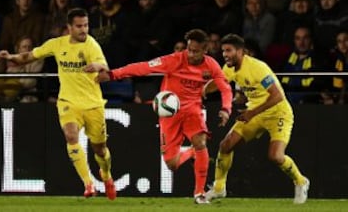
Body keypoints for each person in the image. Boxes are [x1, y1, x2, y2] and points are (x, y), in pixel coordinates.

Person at [84, 29, 233, 204]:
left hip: (193, 109)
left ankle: (199, 193)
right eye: (189, 49)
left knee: (200, 142)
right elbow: (143, 67)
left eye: (196, 51)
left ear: (205, 49)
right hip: (170, 113)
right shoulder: (174, 60)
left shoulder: (211, 65)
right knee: (172, 164)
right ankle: (192, 152)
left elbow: (225, 87)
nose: (191, 54)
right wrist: (112, 75)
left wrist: (226, 108)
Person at [0, 8, 116, 200]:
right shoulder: (57, 44)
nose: (84, 30)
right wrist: (11, 57)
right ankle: (88, 183)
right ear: (69, 27)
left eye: (86, 25)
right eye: (79, 26)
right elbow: (30, 56)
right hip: (68, 101)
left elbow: (106, 68)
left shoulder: (91, 45)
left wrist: (99, 66)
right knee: (71, 136)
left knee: (100, 148)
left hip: (93, 104)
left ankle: (107, 176)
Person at [203, 34, 310, 204]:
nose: (225, 54)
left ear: (241, 51)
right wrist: (200, 91)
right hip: (255, 111)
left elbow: (277, 96)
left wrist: (251, 113)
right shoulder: (229, 68)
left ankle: (301, 181)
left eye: (229, 50)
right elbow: (219, 83)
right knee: (226, 145)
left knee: (275, 156)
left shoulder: (258, 68)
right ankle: (218, 188)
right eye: (223, 51)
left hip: (278, 113)